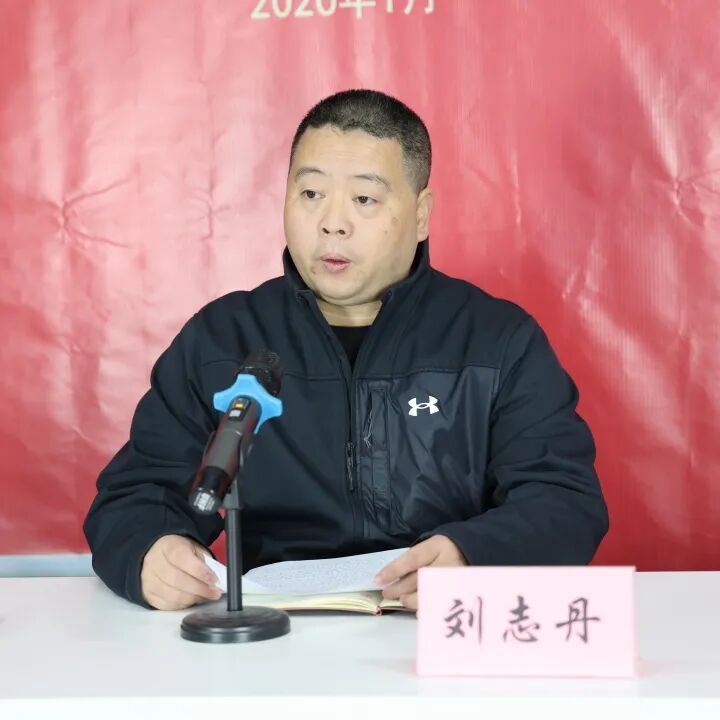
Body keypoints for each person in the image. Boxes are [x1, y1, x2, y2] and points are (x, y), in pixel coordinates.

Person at [84, 89, 609, 612]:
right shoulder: (224, 339)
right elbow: (136, 494)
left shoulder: (497, 340)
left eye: (364, 199)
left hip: (436, 629)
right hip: (279, 634)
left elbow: (564, 500)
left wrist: (473, 557)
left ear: (421, 214)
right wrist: (149, 551)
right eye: (311, 193)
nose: (332, 223)